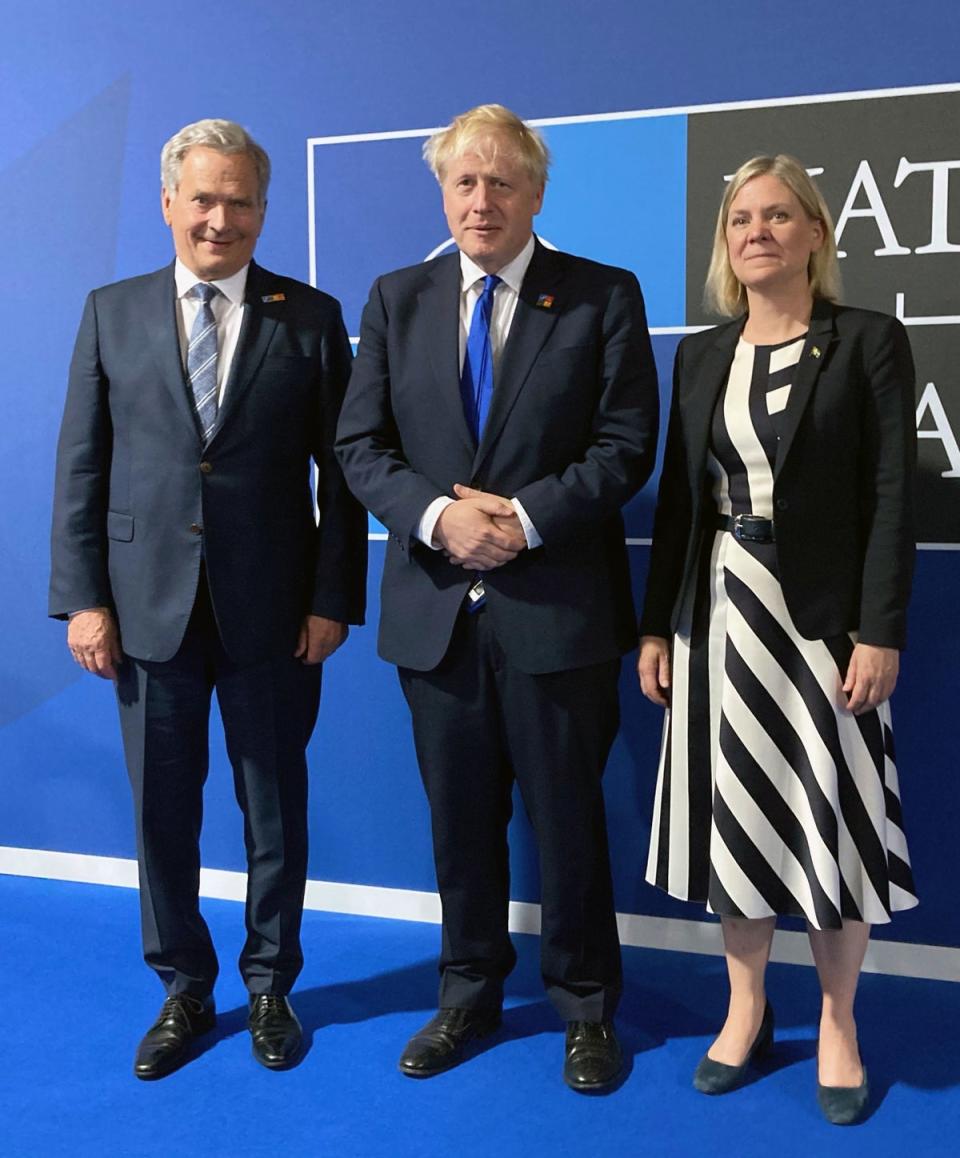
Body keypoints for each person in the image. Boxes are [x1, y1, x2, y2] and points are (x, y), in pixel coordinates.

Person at [335, 103, 659, 1090]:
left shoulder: (601, 295)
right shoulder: (398, 297)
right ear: (444, 191)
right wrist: (439, 519)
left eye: (502, 180)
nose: (483, 199)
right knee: (459, 825)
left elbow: (625, 446)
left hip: (557, 610)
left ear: (537, 191)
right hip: (435, 616)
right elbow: (360, 447)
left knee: (568, 822)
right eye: (465, 181)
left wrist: (520, 519)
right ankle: (468, 996)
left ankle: (588, 1008)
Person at [49, 119, 367, 1079]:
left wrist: (332, 599)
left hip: (274, 613)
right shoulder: (111, 311)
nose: (220, 219)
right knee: (162, 815)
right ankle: (184, 990)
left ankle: (271, 988)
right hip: (144, 610)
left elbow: (343, 480)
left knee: (275, 807)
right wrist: (83, 601)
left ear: (264, 210)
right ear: (168, 204)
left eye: (240, 202)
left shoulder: (310, 318)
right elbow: (82, 466)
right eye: (203, 199)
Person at [637, 154, 917, 1124]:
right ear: (726, 244)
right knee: (737, 819)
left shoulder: (868, 342)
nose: (756, 230)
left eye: (777, 215)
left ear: (815, 234)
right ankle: (745, 1006)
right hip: (720, 614)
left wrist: (879, 631)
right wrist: (658, 624)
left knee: (831, 825)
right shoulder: (701, 354)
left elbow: (891, 500)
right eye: (740, 219)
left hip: (823, 628)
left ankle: (839, 1019)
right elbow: (681, 502)